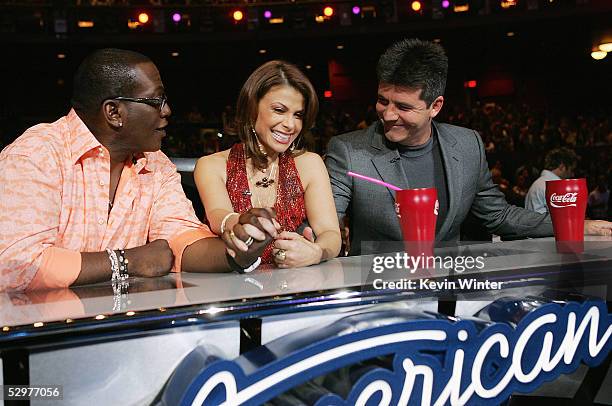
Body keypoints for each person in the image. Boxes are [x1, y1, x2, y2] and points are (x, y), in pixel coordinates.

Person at [0, 49, 272, 292]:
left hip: (124, 333)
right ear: (114, 112)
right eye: (155, 101)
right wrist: (127, 261)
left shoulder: (156, 164)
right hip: (36, 339)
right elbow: (16, 265)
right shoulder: (37, 154)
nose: (167, 110)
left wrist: (238, 249)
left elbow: (181, 240)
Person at [325, 38, 612, 255]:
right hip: (378, 299)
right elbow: (325, 224)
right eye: (382, 100)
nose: (387, 114)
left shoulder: (467, 144)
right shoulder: (348, 151)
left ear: (435, 106)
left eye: (402, 106)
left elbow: (498, 215)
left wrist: (572, 227)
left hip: (450, 295)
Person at [194, 60, 341, 268]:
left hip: (294, 288)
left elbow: (331, 233)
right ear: (252, 108)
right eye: (279, 110)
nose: (291, 125)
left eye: (298, 115)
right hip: (232, 287)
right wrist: (246, 224)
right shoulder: (212, 165)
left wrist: (317, 253)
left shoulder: (309, 164)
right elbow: (220, 216)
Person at [525, 147, 578, 214]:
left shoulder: (540, 183)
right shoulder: (552, 187)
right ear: (562, 167)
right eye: (571, 170)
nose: (572, 174)